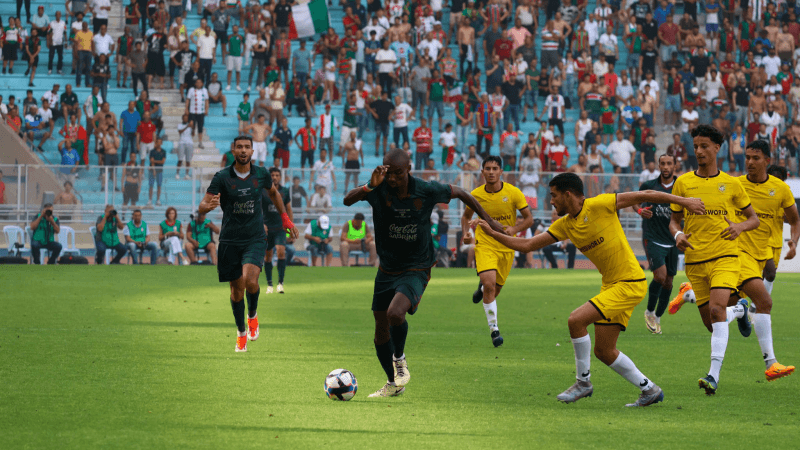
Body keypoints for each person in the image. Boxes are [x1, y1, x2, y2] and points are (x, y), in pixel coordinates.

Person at [474, 172, 704, 406]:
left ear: (568, 194)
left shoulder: (600, 204)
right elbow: (528, 245)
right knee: (604, 351)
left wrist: (685, 202)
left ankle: (583, 383)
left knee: (576, 320)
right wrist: (492, 234)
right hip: (612, 286)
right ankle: (650, 390)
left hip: (630, 283)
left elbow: (645, 194)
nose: (551, 201)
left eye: (554, 196)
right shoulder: (565, 224)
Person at [343, 149, 504, 397]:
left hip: (416, 267)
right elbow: (347, 200)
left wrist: (489, 220)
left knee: (395, 313)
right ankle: (393, 384)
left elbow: (461, 192)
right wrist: (368, 186)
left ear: (408, 169)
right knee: (380, 331)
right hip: (386, 268)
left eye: (398, 173)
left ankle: (400, 358)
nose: (393, 178)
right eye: (389, 173)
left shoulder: (425, 189)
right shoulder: (378, 188)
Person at [674, 142, 798, 383]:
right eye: (747, 157)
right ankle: (771, 363)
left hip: (761, 253)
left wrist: (793, 242)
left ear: (767, 160)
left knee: (716, 319)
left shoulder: (780, 189)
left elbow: (794, 219)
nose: (749, 162)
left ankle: (696, 296)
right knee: (763, 301)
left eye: (755, 158)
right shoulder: (734, 183)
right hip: (736, 254)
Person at [666, 125, 760, 395]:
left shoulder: (732, 184)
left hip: (726, 256)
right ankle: (741, 310)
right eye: (695, 146)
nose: (699, 151)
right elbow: (674, 221)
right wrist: (679, 235)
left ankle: (712, 376)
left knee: (718, 312)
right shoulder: (683, 182)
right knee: (712, 324)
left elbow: (752, 218)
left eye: (704, 146)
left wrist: (740, 227)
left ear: (717, 148)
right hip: (695, 260)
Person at [199, 136, 299, 352]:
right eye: (239, 147)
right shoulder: (222, 177)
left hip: (254, 237)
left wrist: (285, 219)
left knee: (250, 280)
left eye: (247, 147)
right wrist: (208, 207)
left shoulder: (261, 174)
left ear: (253, 151)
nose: (243, 150)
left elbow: (274, 193)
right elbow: (203, 205)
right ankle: (241, 332)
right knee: (236, 292)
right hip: (229, 240)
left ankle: (252, 316)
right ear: (233, 150)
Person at [460, 156, 533, 347]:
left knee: (493, 289)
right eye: (487, 169)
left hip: (508, 246)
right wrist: (466, 233)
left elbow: (528, 219)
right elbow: (466, 217)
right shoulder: (475, 194)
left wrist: (514, 230)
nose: (491, 172)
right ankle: (494, 331)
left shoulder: (513, 192)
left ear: (501, 172)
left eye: (495, 168)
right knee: (490, 284)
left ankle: (482, 287)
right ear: (482, 172)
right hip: (485, 243)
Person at [631, 154, 679, 334]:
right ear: (659, 165)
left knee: (668, 282)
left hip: (673, 239)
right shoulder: (649, 186)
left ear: (675, 165)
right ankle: (649, 311)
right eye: (663, 163)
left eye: (669, 163)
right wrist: (640, 210)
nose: (666, 166)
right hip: (652, 237)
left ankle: (657, 317)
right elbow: (634, 201)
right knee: (660, 276)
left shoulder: (681, 186)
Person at [262, 167, 292, 293]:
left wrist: (290, 228)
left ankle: (280, 283)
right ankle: (269, 285)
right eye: (272, 175)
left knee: (281, 252)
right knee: (268, 257)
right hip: (267, 228)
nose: (274, 177)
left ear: (280, 177)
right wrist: (261, 224)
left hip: (280, 227)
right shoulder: (263, 191)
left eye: (277, 175)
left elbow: (288, 209)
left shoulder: (285, 191)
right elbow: (258, 209)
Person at [147, 138, 166, 207]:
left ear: (161, 143)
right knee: (151, 185)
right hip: (152, 171)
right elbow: (151, 161)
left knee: (159, 186)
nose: (158, 143)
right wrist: (154, 170)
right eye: (157, 142)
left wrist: (155, 161)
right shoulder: (152, 151)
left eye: (160, 142)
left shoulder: (163, 151)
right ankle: (150, 200)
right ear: (156, 142)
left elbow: (162, 161)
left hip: (160, 171)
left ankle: (158, 200)